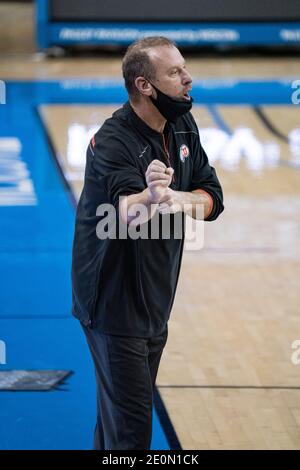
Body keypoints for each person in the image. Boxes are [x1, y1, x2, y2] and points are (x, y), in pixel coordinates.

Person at [71, 36, 224, 450]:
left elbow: (213, 198)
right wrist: (151, 198)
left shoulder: (183, 127)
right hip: (112, 303)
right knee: (131, 433)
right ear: (144, 86)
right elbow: (125, 211)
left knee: (117, 425)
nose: (188, 78)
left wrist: (177, 198)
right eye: (175, 73)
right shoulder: (112, 141)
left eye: (184, 68)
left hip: (155, 300)